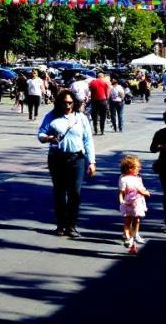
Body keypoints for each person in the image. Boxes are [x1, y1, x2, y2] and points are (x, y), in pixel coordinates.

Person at [37, 88, 96, 238]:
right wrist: (47, 138)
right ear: (59, 103)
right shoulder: (52, 116)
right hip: (57, 158)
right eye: (64, 103)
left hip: (77, 158)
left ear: (74, 103)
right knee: (60, 192)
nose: (67, 105)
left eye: (70, 102)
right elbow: (41, 134)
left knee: (75, 193)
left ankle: (72, 225)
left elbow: (88, 140)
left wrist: (91, 161)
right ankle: (61, 225)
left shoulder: (81, 118)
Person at [118, 154, 151, 254]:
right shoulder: (124, 179)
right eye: (137, 167)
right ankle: (128, 237)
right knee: (128, 221)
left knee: (137, 219)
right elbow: (122, 192)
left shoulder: (138, 178)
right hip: (129, 203)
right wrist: (121, 200)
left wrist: (145, 192)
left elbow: (141, 189)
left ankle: (134, 235)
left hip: (137, 203)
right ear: (129, 169)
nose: (139, 169)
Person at [87, 72, 111, 136]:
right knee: (103, 116)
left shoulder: (92, 82)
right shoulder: (105, 83)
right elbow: (107, 93)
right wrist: (107, 100)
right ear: (102, 77)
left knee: (94, 116)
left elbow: (90, 90)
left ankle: (95, 130)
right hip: (103, 100)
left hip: (94, 100)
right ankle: (102, 130)